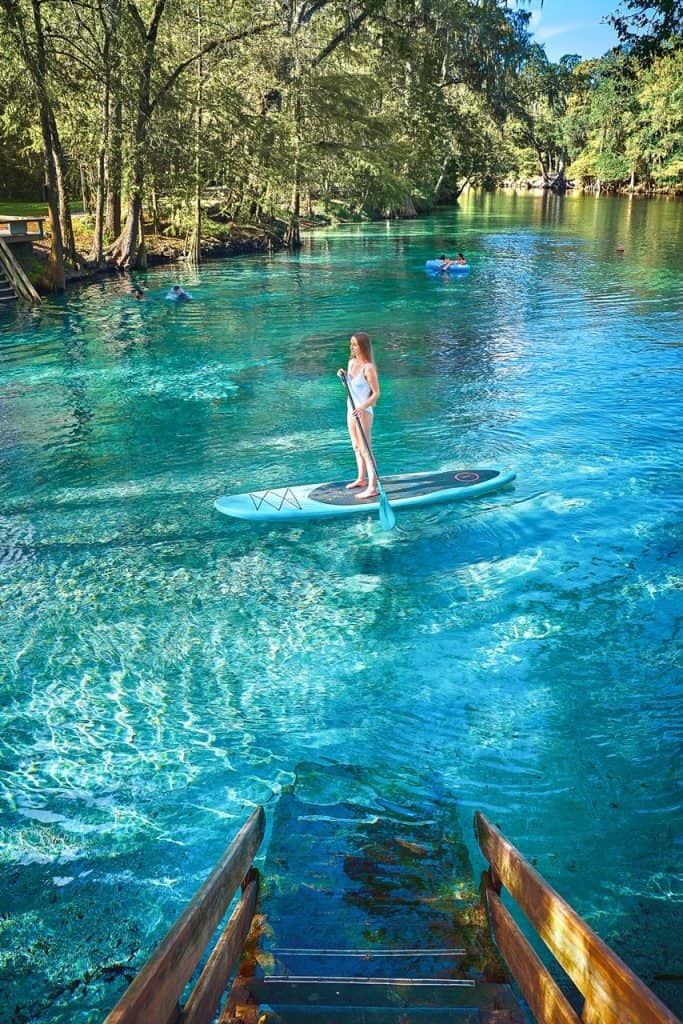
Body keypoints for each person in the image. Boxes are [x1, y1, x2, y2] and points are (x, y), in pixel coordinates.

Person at [337, 332, 381, 499]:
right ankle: (361, 479)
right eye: (351, 344)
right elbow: (351, 388)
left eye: (354, 344)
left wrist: (362, 407)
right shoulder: (351, 363)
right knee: (356, 446)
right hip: (351, 409)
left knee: (365, 449)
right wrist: (343, 377)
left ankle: (372, 487)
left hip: (364, 411)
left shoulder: (368, 368)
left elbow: (376, 394)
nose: (351, 347)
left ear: (363, 346)